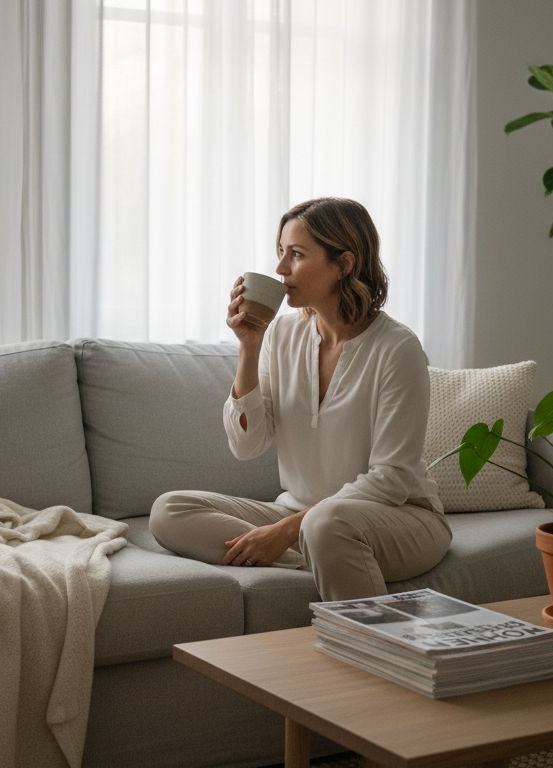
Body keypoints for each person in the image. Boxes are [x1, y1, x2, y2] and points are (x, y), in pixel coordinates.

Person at [149, 197, 451, 600]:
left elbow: (392, 478)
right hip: (300, 511)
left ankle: (366, 633)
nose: (280, 269)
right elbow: (247, 444)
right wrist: (249, 347)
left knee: (325, 525)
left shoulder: (397, 349)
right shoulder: (281, 334)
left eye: (296, 255)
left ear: (343, 264)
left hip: (400, 516)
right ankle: (326, 557)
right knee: (170, 511)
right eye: (280, 253)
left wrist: (283, 533)